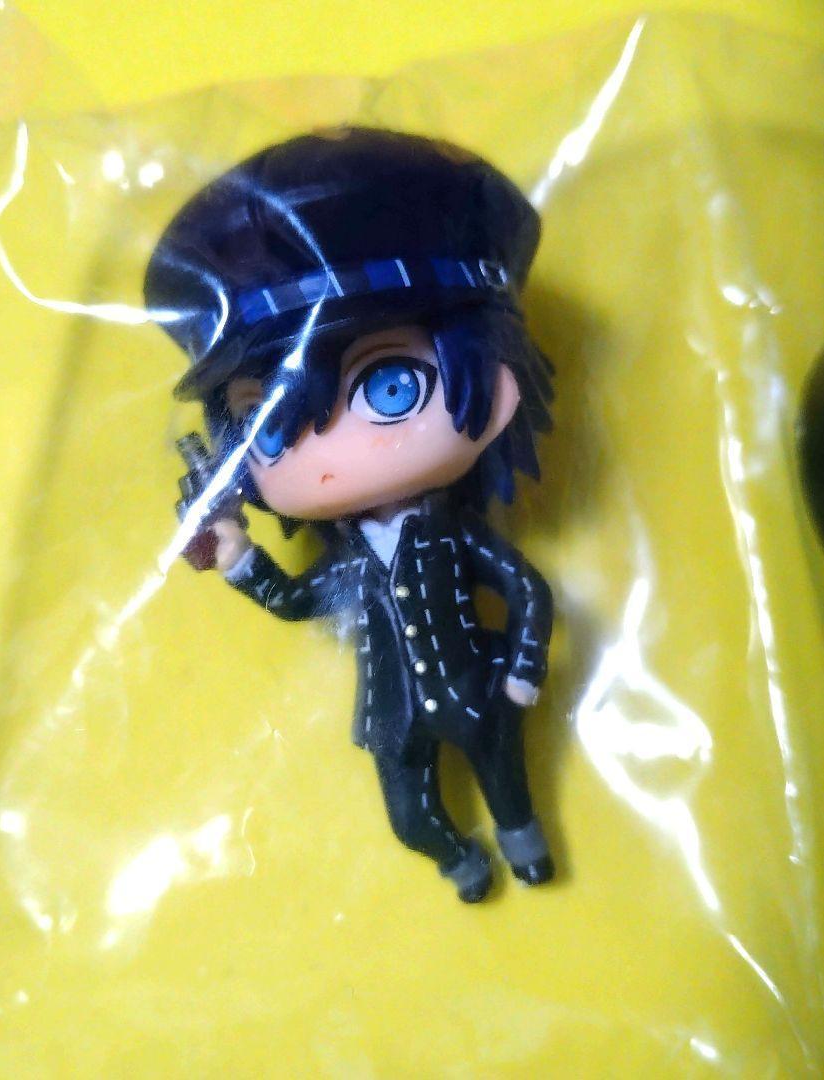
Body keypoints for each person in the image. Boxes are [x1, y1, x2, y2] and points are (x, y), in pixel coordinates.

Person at [145, 127, 556, 902]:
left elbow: (525, 587)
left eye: (391, 387)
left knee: (508, 787)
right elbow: (300, 600)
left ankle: (524, 846)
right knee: (410, 821)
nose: (331, 454)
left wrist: (521, 675)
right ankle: (462, 864)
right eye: (268, 423)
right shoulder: (351, 561)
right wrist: (236, 555)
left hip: (480, 689)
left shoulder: (453, 535)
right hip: (393, 715)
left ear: (495, 381)